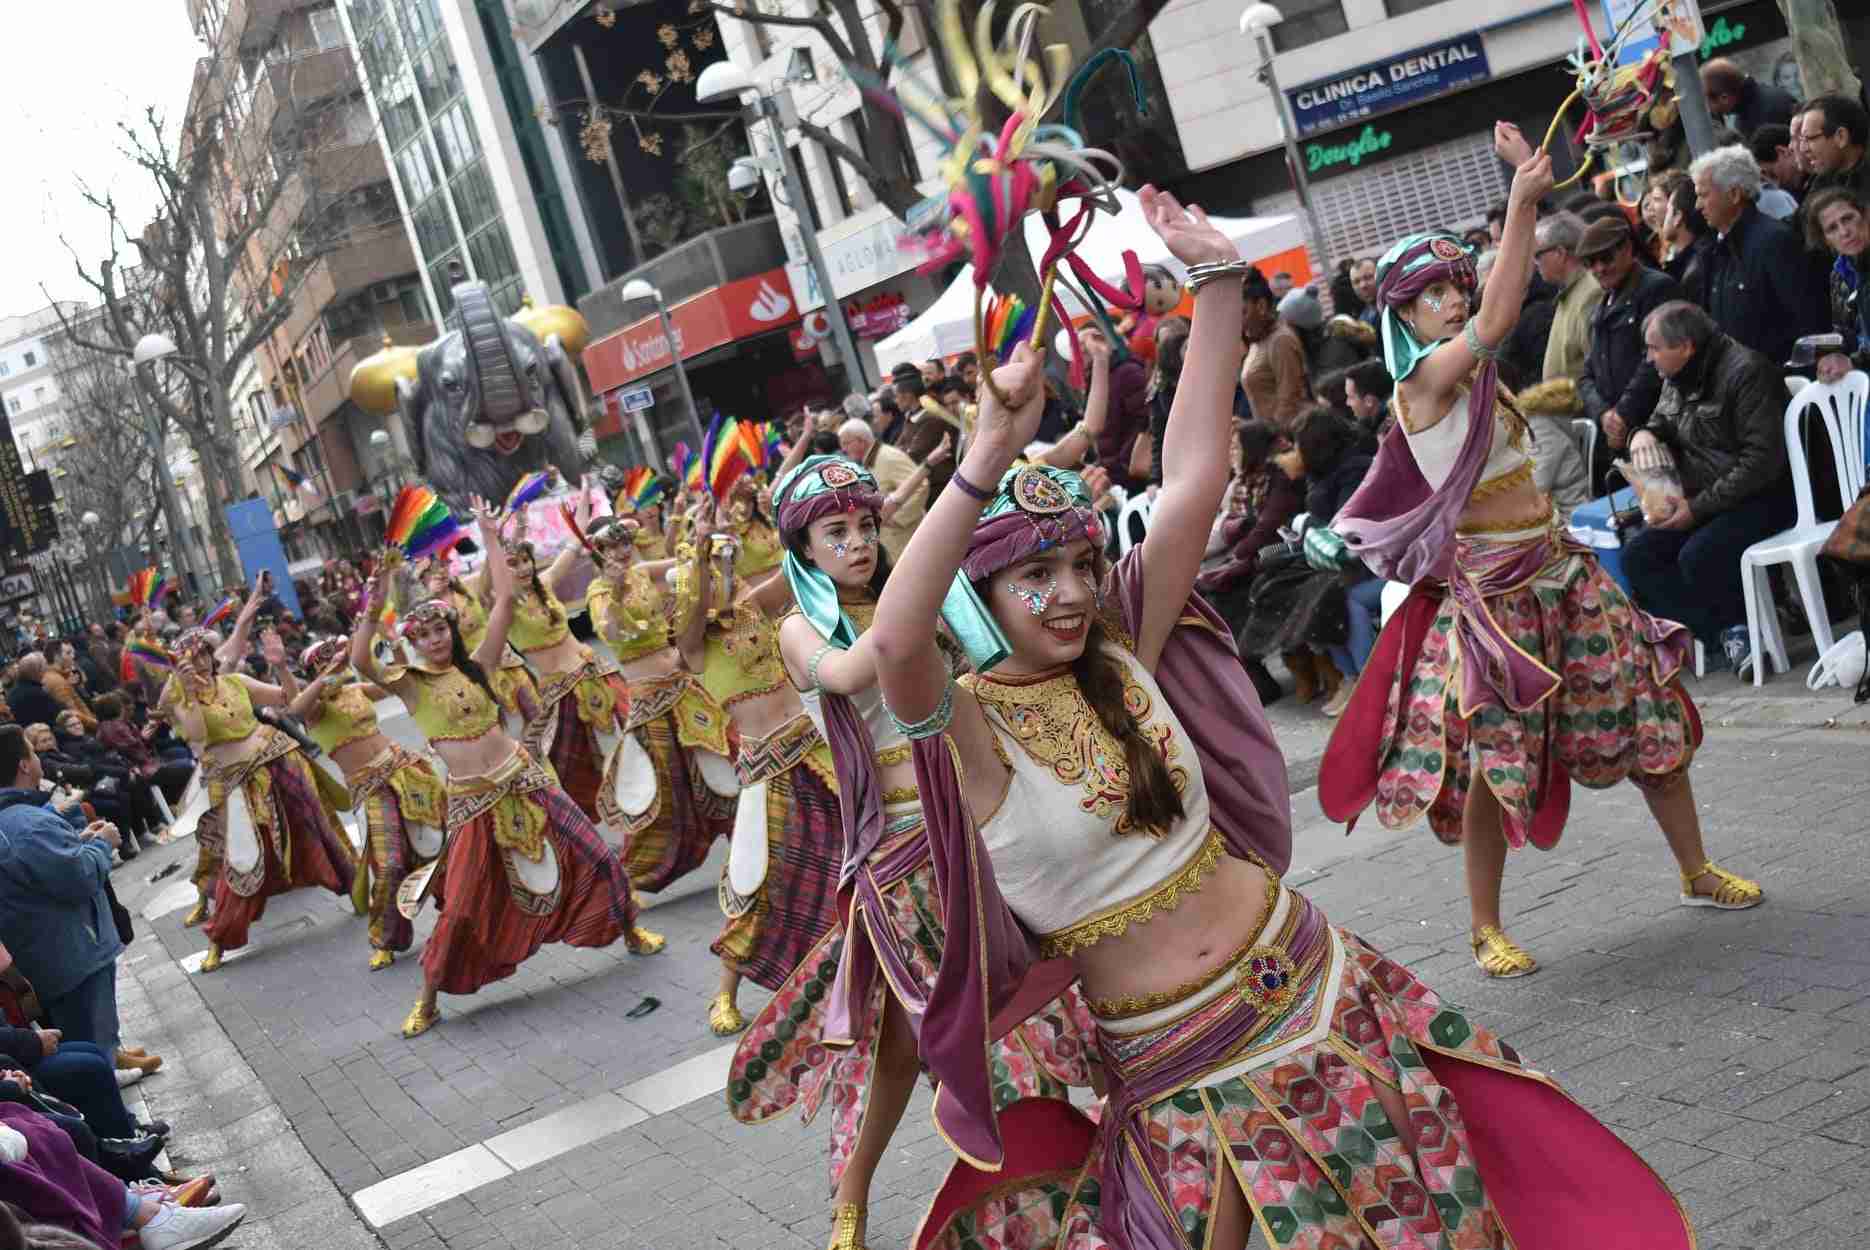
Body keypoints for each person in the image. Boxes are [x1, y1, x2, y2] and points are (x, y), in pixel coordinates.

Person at [871, 182, 1696, 1250]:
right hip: (1175, 1063)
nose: (1072, 590)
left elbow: (1193, 473)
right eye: (1035, 575)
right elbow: (894, 642)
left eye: (1080, 561)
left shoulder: (1120, 645)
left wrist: (1216, 285)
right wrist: (983, 459)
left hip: (1315, 980)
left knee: (1461, 1228)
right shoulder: (968, 730)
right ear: (975, 602)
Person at [1325, 124, 1762, 985]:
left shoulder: (1475, 379)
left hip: (1562, 569)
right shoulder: (1423, 387)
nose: (1455, 301)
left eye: (1458, 284)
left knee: (1651, 712)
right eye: (1434, 296)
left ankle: (1696, 872)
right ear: (1404, 318)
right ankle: (1484, 928)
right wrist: (1525, 201)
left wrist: (1525, 208)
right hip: (1494, 604)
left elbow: (1498, 308)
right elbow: (1497, 315)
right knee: (1495, 765)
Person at [725, 455, 1096, 1250]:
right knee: (901, 1049)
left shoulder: (921, 598)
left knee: (1043, 999)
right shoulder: (802, 629)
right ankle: (853, 1196)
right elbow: (870, 664)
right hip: (897, 858)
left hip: (976, 831)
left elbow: (997, 663)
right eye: (837, 532)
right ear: (803, 548)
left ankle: (1060, 1169)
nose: (858, 542)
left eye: (864, 526)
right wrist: (924, 586)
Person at [352, 503, 656, 1038]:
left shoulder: (480, 665)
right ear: (413, 643)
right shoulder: (411, 685)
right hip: (472, 801)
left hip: (525, 779)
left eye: (441, 630)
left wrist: (491, 537)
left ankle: (631, 930)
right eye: (423, 635)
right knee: (464, 903)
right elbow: (360, 663)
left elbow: (504, 600)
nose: (436, 639)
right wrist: (373, 602)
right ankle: (428, 998)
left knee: (595, 853)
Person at [671, 497, 842, 1037]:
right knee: (758, 881)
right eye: (711, 573)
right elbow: (693, 612)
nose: (723, 578)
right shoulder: (695, 646)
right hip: (769, 770)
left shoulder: (754, 607)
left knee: (860, 854)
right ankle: (724, 993)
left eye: (728, 566)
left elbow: (802, 568)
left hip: (818, 750)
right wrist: (698, 550)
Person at [157, 623, 356, 973]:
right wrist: (186, 693)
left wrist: (280, 665)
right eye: (193, 657)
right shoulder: (181, 701)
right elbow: (198, 736)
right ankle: (221, 936)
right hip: (234, 781)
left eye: (204, 653)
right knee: (242, 856)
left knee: (317, 823)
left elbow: (290, 703)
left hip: (278, 759)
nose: (202, 661)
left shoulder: (235, 682)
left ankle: (358, 887)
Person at [1622, 301, 1797, 671]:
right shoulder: (1676, 378)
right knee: (1638, 556)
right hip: (1707, 498)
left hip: (1763, 495)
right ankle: (1720, 630)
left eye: (1654, 348)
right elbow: (1660, 421)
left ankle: (1745, 632)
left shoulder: (1745, 371)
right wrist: (1641, 434)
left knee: (1699, 554)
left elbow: (1761, 463)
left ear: (1685, 346)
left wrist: (1697, 509)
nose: (1649, 358)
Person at [580, 515, 738, 895]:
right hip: (651, 701)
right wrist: (615, 593)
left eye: (624, 542)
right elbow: (612, 629)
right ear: (599, 552)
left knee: (728, 755)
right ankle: (626, 880)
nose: (622, 550)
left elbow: (687, 568)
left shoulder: (640, 571)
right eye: (613, 545)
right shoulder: (599, 592)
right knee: (665, 791)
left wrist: (701, 540)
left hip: (682, 686)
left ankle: (752, 848)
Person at [286, 636, 445, 971]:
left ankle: (456, 906)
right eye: (324, 659)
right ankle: (386, 938)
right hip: (369, 788)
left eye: (337, 656)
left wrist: (397, 647)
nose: (336, 662)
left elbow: (394, 683)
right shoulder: (316, 709)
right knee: (389, 865)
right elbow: (295, 710)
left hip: (402, 768)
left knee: (436, 842)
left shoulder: (355, 690)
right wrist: (317, 674)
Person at [0, 726, 144, 1074]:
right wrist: (102, 844)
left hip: (47, 953)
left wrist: (76, 841)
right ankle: (120, 1124)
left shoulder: (17, 821)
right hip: (69, 955)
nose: (38, 759)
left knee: (91, 1044)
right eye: (33, 753)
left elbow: (40, 869)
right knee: (93, 1050)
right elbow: (77, 878)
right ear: (23, 765)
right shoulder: (27, 823)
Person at [495, 511, 640, 845]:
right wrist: (495, 539)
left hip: (598, 674)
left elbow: (575, 547)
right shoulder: (505, 606)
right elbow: (491, 583)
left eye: (525, 561)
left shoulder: (543, 587)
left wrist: (589, 510)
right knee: (581, 772)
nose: (523, 568)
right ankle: (602, 842)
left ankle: (640, 823)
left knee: (636, 747)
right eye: (513, 564)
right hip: (564, 695)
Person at [1690, 144, 1826, 365]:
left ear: (1734, 194)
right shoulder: (1714, 250)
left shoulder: (1775, 241)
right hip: (1742, 385)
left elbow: (1811, 319)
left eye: (1703, 195)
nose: (1698, 206)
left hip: (1781, 383)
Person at [1575, 214, 1684, 462]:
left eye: (1606, 258)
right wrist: (1604, 415)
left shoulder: (1656, 289)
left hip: (1659, 429)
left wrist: (1623, 414)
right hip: (1620, 438)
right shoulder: (1602, 305)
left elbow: (1657, 361)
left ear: (1627, 248)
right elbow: (1586, 375)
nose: (1599, 268)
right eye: (1590, 262)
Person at [418, 556, 542, 739]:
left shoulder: (468, 589)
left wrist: (493, 539)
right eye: (433, 570)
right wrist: (431, 598)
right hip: (473, 671)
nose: (440, 572)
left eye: (443, 565)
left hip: (504, 659)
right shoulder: (426, 611)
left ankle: (544, 753)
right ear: (423, 578)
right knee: (491, 728)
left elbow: (489, 571)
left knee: (536, 713)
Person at [834, 416, 947, 562]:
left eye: (846, 443)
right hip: (893, 543)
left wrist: (897, 519)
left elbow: (920, 485)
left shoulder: (888, 456)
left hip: (909, 537)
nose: (843, 449)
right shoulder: (870, 460)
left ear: (860, 440)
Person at [1807, 186, 1870, 379]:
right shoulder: (1838, 273)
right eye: (1832, 228)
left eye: (1848, 218)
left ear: (1865, 216)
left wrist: (1853, 362)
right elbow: (1844, 332)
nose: (1844, 232)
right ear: (1826, 240)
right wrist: (1828, 356)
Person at [1533, 212, 1601, 382]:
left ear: (1560, 253)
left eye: (1537, 255)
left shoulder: (1591, 293)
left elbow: (1599, 370)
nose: (1535, 263)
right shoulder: (1569, 293)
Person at [1238, 269, 1308, 431]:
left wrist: (1271, 438)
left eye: (1242, 312)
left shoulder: (1280, 340)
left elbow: (1290, 402)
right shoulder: (1257, 340)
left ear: (1261, 306)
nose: (1237, 322)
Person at [1515, 377, 1591, 522]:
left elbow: (1537, 486)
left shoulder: (1541, 430)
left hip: (1566, 517)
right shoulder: (1548, 424)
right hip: (1567, 508)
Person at [1700, 57, 1798, 140]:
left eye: (1707, 102)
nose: (1709, 109)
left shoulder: (1758, 119)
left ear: (1724, 97)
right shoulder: (1747, 113)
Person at [1796, 95, 1870, 200]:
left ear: (1841, 137)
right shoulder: (1824, 180)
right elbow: (1803, 215)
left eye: (1810, 138)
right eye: (1802, 140)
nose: (1803, 149)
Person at [6, 656, 63, 733]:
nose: (46, 670)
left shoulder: (15, 690)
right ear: (36, 671)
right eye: (44, 668)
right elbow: (57, 715)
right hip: (43, 734)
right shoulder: (36, 693)